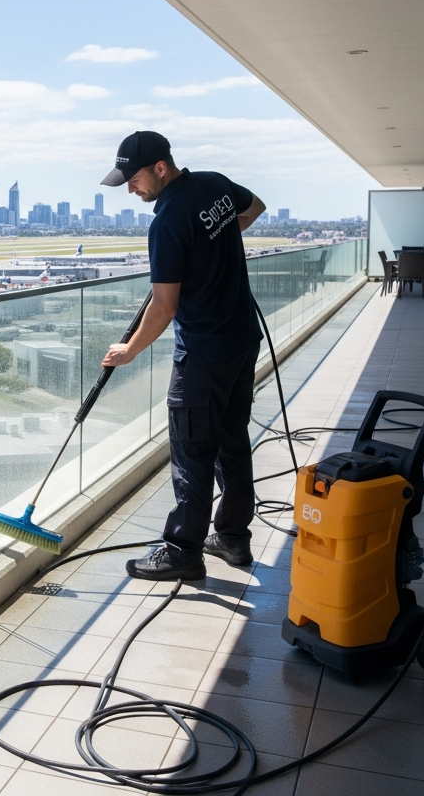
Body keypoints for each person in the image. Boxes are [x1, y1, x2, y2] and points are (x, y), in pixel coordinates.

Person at [100, 131, 267, 581]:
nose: (131, 191)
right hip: (240, 341)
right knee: (232, 441)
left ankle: (182, 550)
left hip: (202, 354)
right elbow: (255, 208)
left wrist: (129, 350)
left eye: (132, 180)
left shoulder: (168, 220)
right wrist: (214, 245)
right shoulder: (214, 184)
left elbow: (165, 305)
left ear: (159, 168)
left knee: (193, 453)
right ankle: (232, 537)